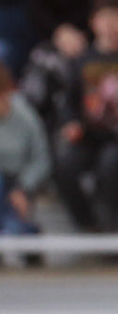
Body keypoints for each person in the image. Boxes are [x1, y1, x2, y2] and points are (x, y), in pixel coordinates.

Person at [51, 0, 118, 230]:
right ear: (94, 23)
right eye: (107, 18)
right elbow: (70, 101)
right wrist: (71, 123)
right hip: (89, 134)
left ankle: (115, 220)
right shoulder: (83, 61)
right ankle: (86, 223)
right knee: (65, 162)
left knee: (113, 164)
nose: (113, 26)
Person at [0, 63, 49, 232]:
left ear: (7, 92)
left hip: (20, 182)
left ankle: (26, 232)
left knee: (15, 228)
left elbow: (42, 159)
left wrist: (22, 187)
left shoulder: (26, 117)